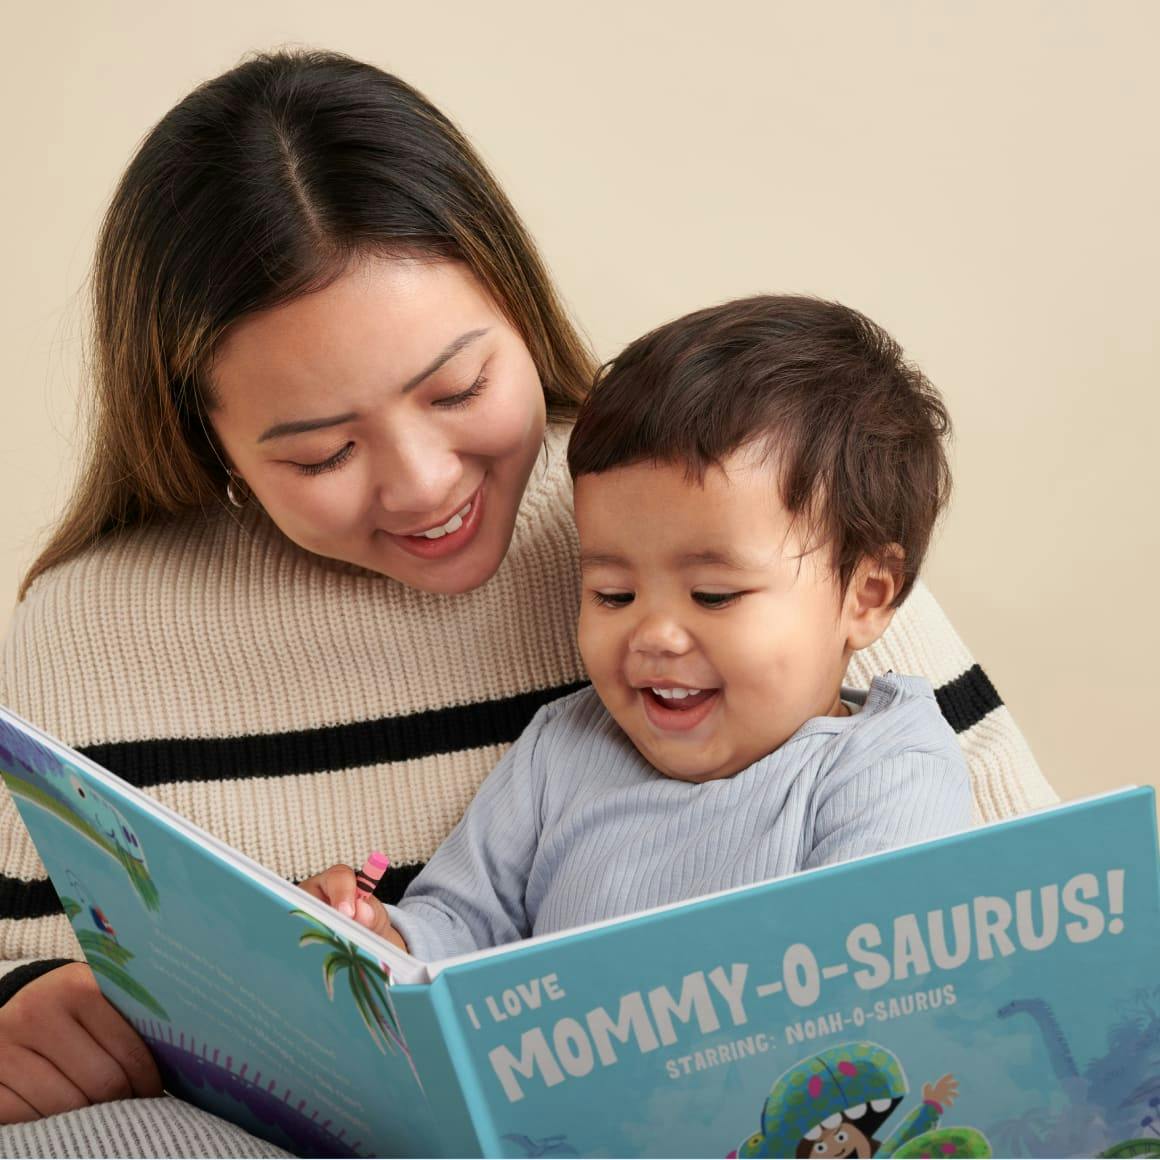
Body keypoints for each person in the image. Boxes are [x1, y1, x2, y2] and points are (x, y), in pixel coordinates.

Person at [0, 49, 1054, 1160]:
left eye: (458, 388)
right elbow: (453, 921)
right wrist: (353, 942)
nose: (422, 484)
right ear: (201, 431)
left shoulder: (719, 496)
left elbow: (1009, 938)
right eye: (320, 449)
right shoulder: (87, 636)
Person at [302, 294, 974, 958]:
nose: (653, 634)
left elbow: (875, 976)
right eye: (613, 594)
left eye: (712, 595)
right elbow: (460, 926)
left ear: (867, 596)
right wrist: (383, 936)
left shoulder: (885, 769)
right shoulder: (561, 752)